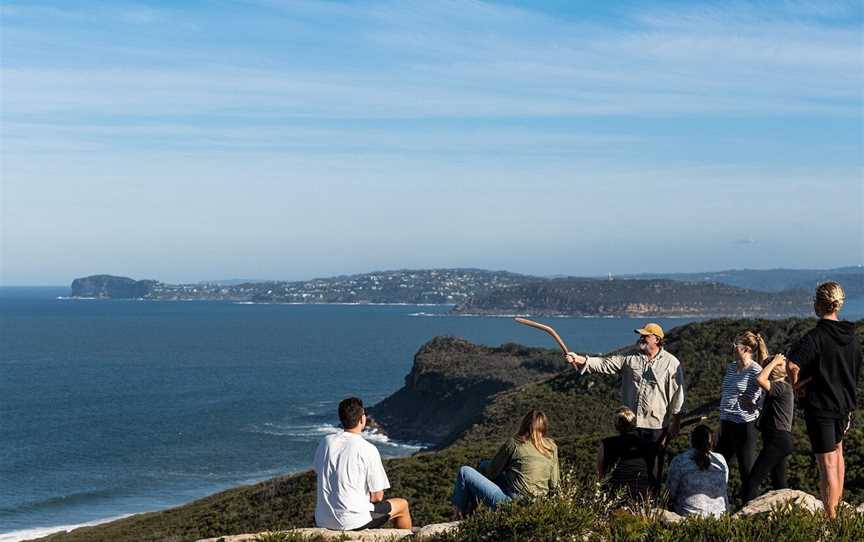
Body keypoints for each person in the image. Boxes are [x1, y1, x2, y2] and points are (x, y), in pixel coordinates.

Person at [566, 323, 684, 475]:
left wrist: (676, 423)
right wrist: (580, 359)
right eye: (641, 335)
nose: (641, 338)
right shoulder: (630, 359)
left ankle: (652, 498)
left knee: (653, 467)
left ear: (657, 339)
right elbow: (604, 363)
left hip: (656, 427)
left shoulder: (671, 363)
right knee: (628, 465)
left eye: (645, 336)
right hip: (631, 425)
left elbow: (678, 395)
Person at [787, 281, 862, 518]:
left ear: (818, 304)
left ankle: (831, 519)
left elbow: (792, 364)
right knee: (838, 456)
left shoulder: (816, 336)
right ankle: (837, 510)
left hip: (821, 406)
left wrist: (796, 385)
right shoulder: (851, 336)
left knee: (826, 464)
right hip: (844, 405)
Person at [313, 397, 412, 531]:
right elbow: (377, 496)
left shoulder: (326, 442)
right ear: (362, 419)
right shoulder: (368, 449)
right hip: (354, 522)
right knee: (402, 505)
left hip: (322, 519)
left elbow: (319, 472)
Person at [451, 409, 560, 517]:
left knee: (465, 472)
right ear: (545, 427)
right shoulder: (552, 447)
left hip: (513, 505)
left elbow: (491, 472)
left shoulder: (515, 443)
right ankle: (469, 513)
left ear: (524, 425)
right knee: (483, 465)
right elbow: (554, 484)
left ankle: (460, 514)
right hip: (539, 506)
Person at [715, 330, 766, 490]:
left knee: (746, 469)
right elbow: (727, 392)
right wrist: (720, 422)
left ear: (745, 349)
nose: (733, 347)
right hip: (726, 422)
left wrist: (753, 403)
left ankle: (750, 508)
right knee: (717, 465)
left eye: (736, 344)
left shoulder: (756, 370)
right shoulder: (731, 367)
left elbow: (765, 397)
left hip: (745, 425)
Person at [741, 353, 795, 503]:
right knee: (779, 484)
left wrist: (774, 361)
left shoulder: (781, 387)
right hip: (780, 440)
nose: (783, 364)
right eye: (781, 363)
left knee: (753, 481)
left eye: (781, 363)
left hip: (778, 440)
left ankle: (744, 517)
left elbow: (760, 379)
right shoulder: (778, 389)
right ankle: (786, 515)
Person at [666, 424, 729, 518]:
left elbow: (670, 493)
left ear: (692, 441)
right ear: (711, 443)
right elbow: (725, 485)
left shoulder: (679, 460)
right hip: (719, 518)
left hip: (689, 519)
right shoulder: (720, 460)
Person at [597, 406, 658, 499]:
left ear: (616, 426)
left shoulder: (606, 444)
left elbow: (600, 475)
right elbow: (652, 472)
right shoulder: (649, 445)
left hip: (613, 496)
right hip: (642, 496)